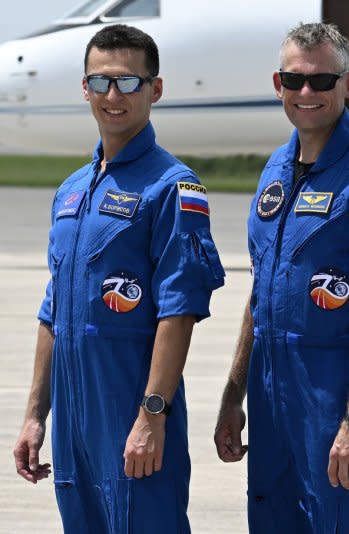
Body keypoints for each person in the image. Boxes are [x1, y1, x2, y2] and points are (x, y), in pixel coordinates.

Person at [213, 22, 349, 533]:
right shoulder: (274, 169)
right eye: (294, 81)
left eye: (322, 81)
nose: (307, 93)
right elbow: (261, 289)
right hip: (272, 407)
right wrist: (234, 395)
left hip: (337, 401)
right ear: (278, 85)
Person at [12, 24, 225, 533]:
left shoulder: (172, 188)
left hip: (132, 417)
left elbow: (180, 310)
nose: (114, 96)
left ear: (155, 90)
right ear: (84, 88)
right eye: (101, 82)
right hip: (72, 426)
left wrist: (152, 415)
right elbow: (52, 312)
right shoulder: (71, 191)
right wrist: (36, 415)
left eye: (129, 83)